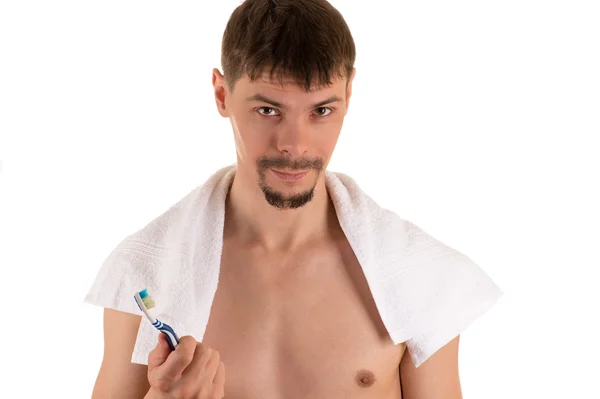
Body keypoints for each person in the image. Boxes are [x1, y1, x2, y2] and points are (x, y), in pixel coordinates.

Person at [85, 1, 502, 398]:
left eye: (321, 111)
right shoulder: (143, 275)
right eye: (269, 110)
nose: (295, 144)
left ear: (348, 94)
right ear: (222, 94)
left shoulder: (419, 279)